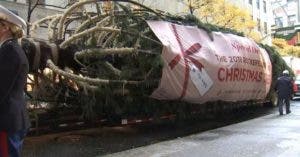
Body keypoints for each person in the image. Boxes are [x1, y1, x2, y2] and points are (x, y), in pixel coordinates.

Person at [0, 5, 30, 157]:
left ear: (5, 27)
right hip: (11, 119)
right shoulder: (10, 49)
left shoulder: (9, 51)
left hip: (7, 121)